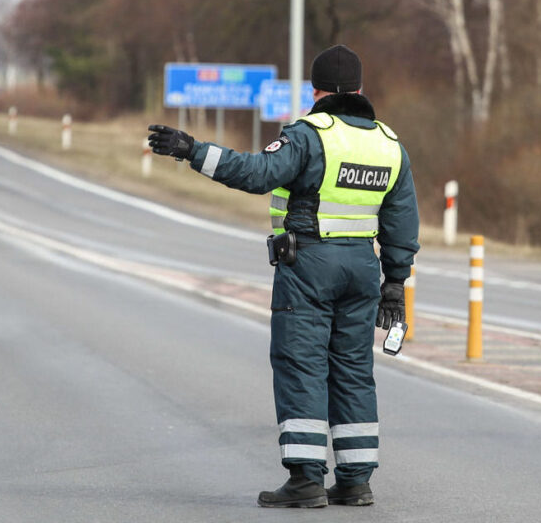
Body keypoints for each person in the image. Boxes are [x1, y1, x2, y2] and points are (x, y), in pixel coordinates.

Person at [148, 45, 419, 507]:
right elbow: (402, 221)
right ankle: (355, 481)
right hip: (362, 271)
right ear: (360, 90)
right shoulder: (389, 144)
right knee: (353, 370)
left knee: (302, 366)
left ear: (315, 90)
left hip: (309, 267)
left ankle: (306, 479)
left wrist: (193, 151)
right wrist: (394, 285)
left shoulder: (309, 136)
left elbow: (256, 173)